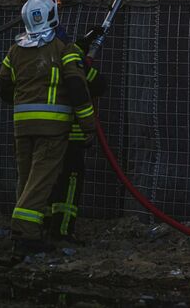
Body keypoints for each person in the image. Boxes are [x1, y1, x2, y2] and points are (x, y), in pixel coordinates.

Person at [0, 0, 96, 256]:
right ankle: (26, 232)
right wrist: (88, 124)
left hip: (22, 127)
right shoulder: (63, 49)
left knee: (27, 179)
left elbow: (3, 86)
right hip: (52, 130)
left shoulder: (15, 50)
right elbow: (77, 87)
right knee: (41, 180)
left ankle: (25, 230)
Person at [45, 26, 105, 244]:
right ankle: (62, 231)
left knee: (45, 181)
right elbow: (96, 85)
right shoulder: (71, 62)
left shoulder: (38, 60)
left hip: (44, 136)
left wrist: (82, 46)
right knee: (69, 182)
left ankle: (44, 226)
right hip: (70, 136)